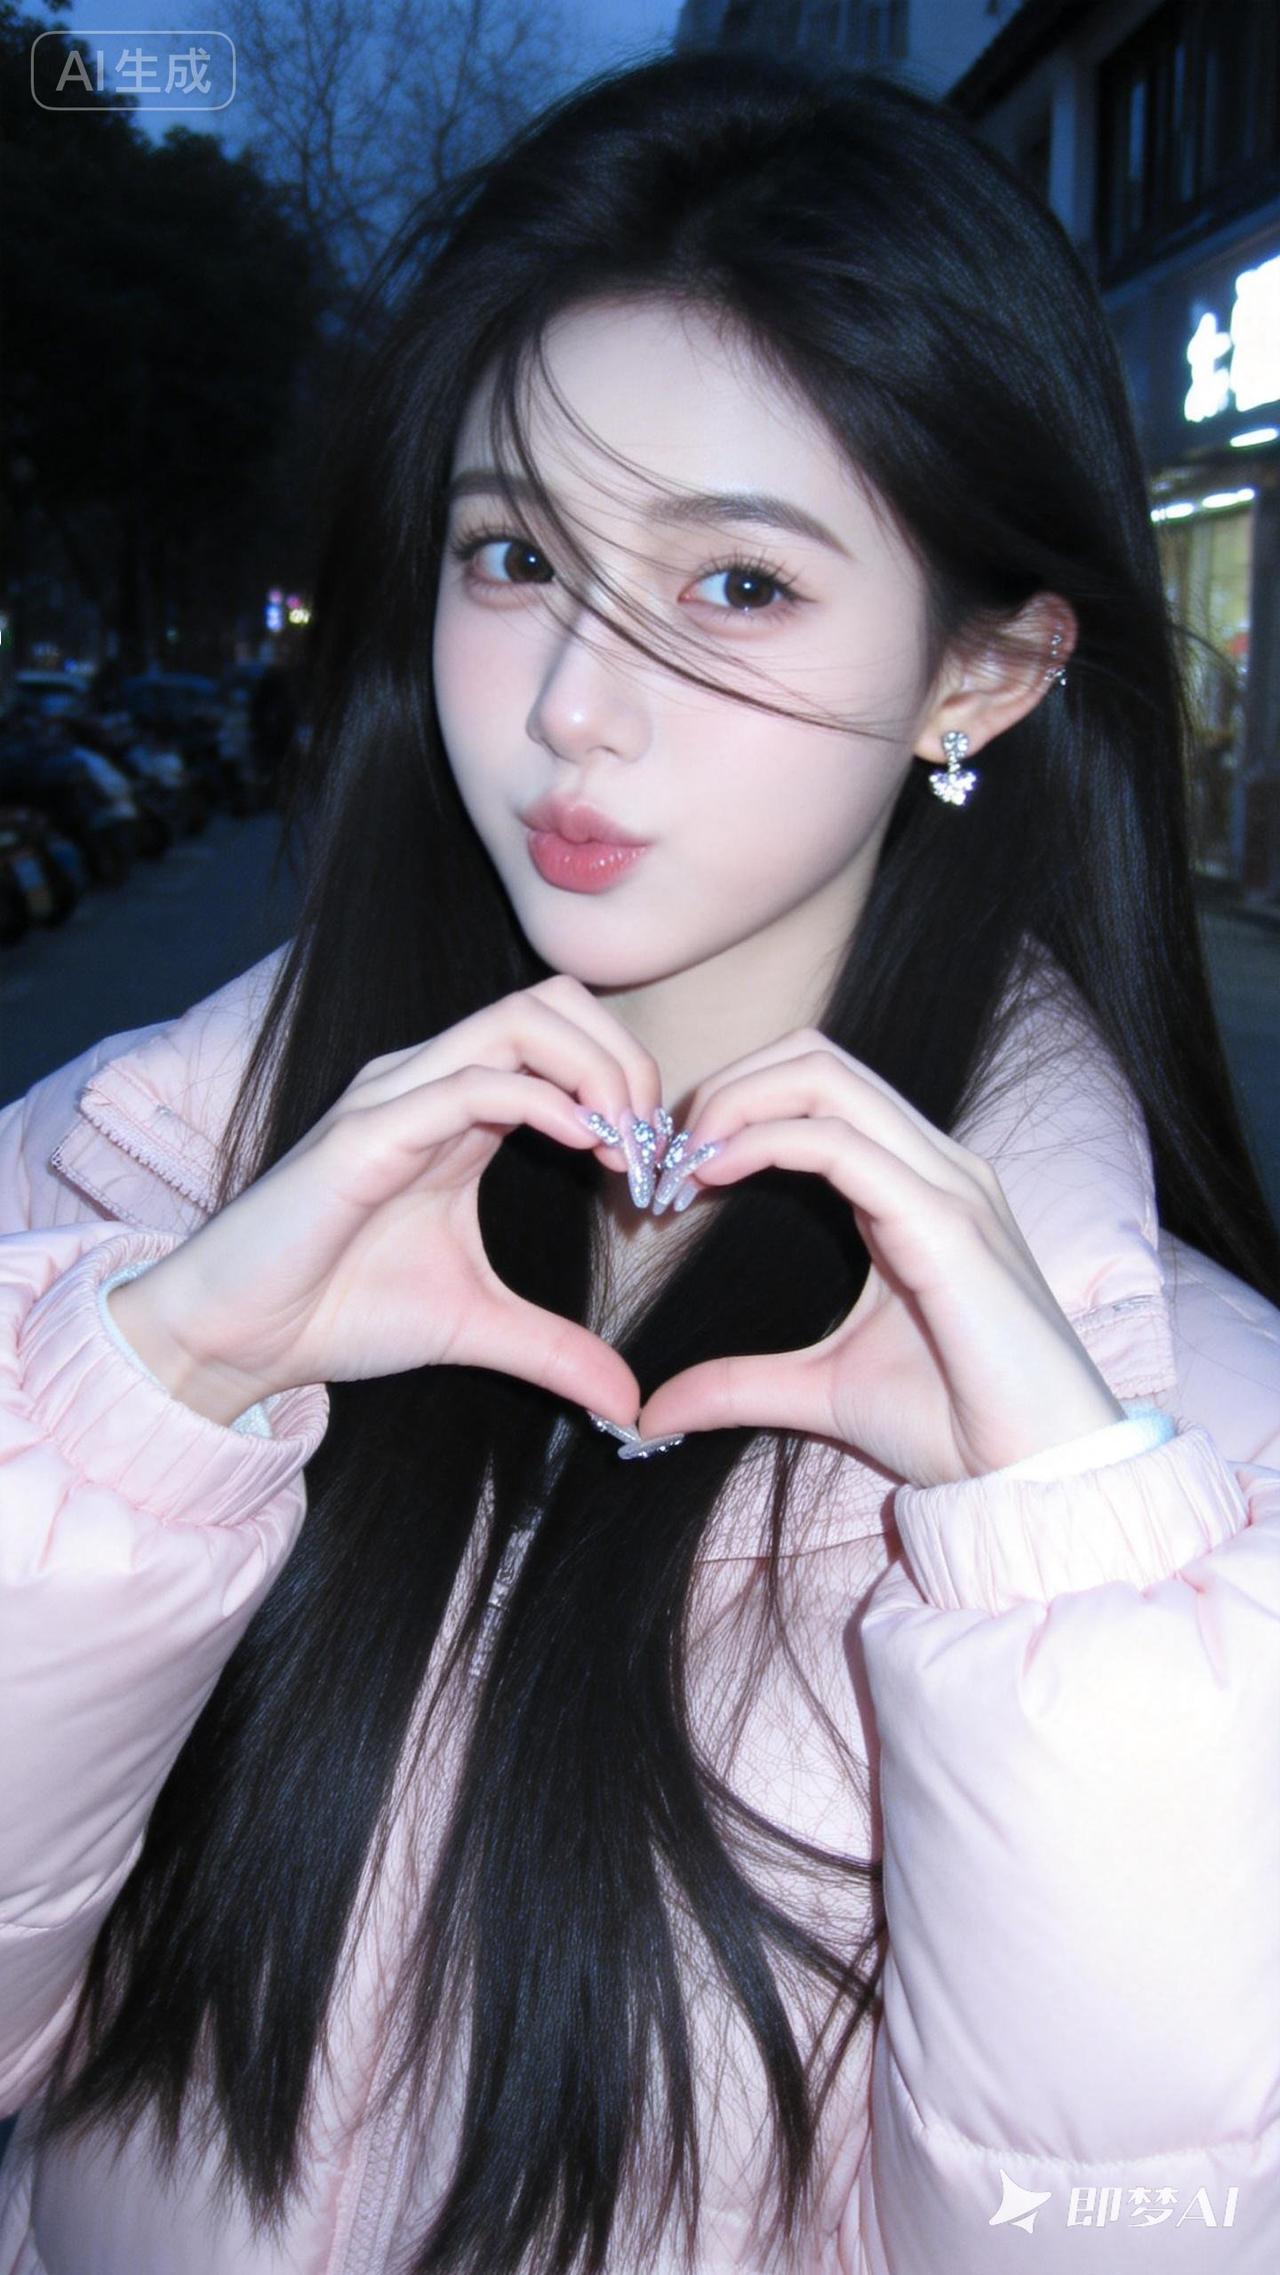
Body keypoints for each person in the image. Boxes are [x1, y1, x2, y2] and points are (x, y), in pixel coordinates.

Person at [1, 45, 1277, 2275]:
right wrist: (139, 1413)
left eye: (738, 586)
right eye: (515, 555)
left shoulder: (1195, 1472)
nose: (573, 704)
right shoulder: (108, 1208)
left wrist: (1067, 1590)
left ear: (979, 678)